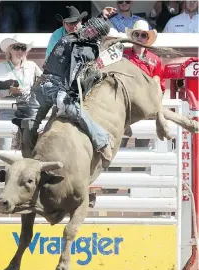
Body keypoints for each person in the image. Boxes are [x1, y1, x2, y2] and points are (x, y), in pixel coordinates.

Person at [20, 17, 112, 167]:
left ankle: (102, 141)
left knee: (73, 110)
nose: (88, 29)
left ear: (97, 35)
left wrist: (70, 92)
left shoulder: (89, 49)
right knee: (28, 123)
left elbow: (78, 73)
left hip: (61, 87)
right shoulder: (71, 36)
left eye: (93, 29)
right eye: (89, 25)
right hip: (43, 83)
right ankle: (29, 161)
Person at [122, 19, 165, 170]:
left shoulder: (155, 61)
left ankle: (135, 189)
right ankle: (112, 187)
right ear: (132, 36)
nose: (140, 38)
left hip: (144, 111)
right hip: (123, 109)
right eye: (137, 35)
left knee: (141, 150)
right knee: (116, 148)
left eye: (143, 35)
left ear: (147, 38)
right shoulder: (122, 56)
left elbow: (160, 87)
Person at [0, 35, 42, 151]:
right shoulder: (1, 67)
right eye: (17, 47)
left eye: (23, 48)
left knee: (27, 146)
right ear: (10, 50)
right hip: (7, 110)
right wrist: (9, 91)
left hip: (27, 110)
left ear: (26, 52)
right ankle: (5, 169)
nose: (20, 51)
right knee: (5, 146)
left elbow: (44, 83)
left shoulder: (32, 66)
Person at [46, 6, 117, 59]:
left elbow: (98, 31)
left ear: (81, 21)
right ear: (63, 23)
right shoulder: (56, 36)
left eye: (76, 22)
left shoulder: (86, 30)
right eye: (70, 23)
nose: (74, 26)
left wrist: (102, 17)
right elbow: (50, 58)